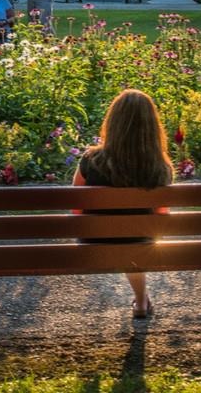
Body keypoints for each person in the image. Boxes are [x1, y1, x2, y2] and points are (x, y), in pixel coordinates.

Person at [73, 89, 174, 319]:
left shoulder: (91, 159)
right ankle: (141, 302)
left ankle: (142, 300)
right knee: (134, 241)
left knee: (127, 240)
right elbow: (161, 218)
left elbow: (76, 207)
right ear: (152, 127)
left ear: (113, 123)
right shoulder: (160, 167)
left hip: (94, 242)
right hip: (138, 244)